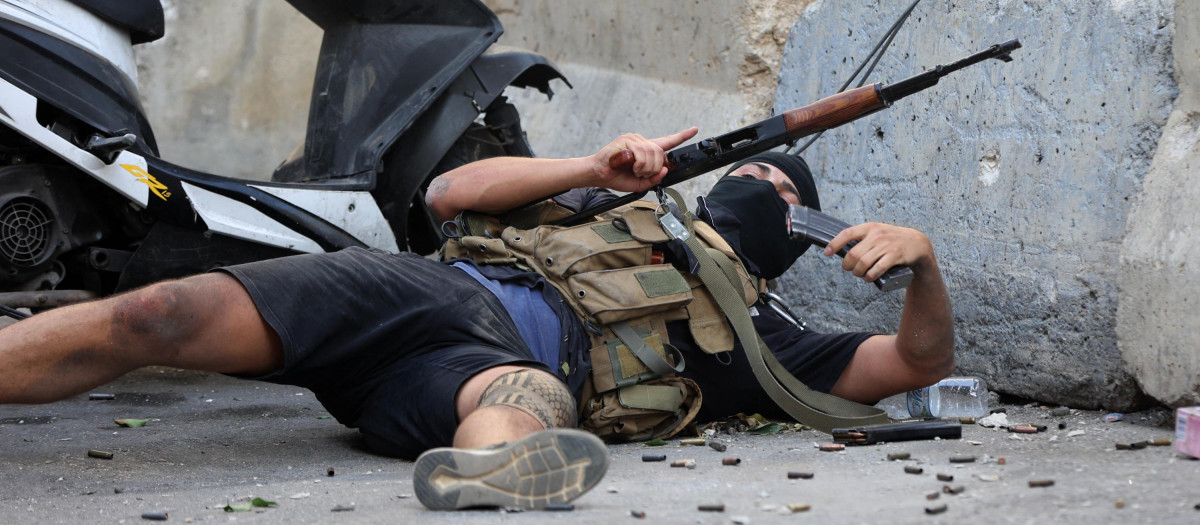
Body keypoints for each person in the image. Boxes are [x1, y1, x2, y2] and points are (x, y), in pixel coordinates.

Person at [0, 127, 953, 511]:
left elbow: (911, 363)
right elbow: (452, 191)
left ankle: (488, 478)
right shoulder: (606, 205)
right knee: (165, 313)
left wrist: (923, 266)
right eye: (752, 169)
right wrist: (591, 169)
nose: (757, 181)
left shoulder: (763, 334)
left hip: (461, 383)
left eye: (781, 188)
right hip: (423, 292)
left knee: (528, 394)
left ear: (794, 233)